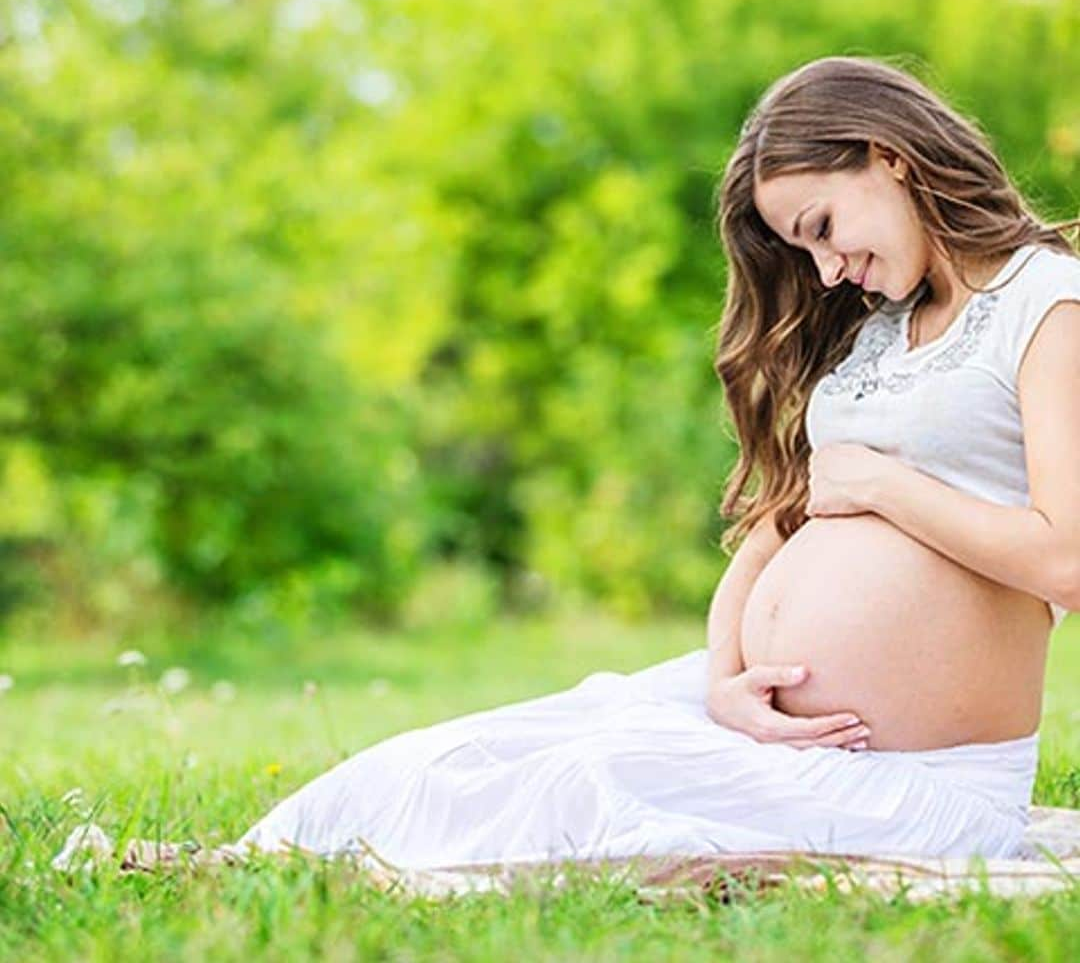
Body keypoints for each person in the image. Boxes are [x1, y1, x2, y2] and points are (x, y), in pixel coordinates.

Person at [234, 55, 1080, 869]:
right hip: (759, 725)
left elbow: (1066, 558)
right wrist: (724, 681)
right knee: (479, 752)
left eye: (822, 227)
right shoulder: (881, 328)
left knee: (581, 790)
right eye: (804, 249)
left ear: (887, 156)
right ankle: (238, 860)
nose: (825, 271)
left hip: (908, 774)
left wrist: (886, 488)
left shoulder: (1043, 302)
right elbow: (780, 526)